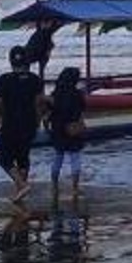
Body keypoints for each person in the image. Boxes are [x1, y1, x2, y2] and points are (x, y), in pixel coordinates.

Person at [0, 45, 46, 203]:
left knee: (5, 160)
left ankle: (21, 185)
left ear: (11, 61)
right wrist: (39, 120)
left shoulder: (5, 79)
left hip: (11, 123)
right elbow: (40, 102)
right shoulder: (35, 80)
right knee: (23, 157)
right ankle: (20, 192)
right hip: (29, 124)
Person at [46, 66, 87, 199]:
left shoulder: (55, 94)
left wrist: (47, 126)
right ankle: (75, 187)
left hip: (57, 128)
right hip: (73, 128)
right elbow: (81, 112)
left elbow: (49, 113)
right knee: (75, 157)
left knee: (58, 157)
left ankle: (54, 186)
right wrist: (82, 125)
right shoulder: (78, 94)